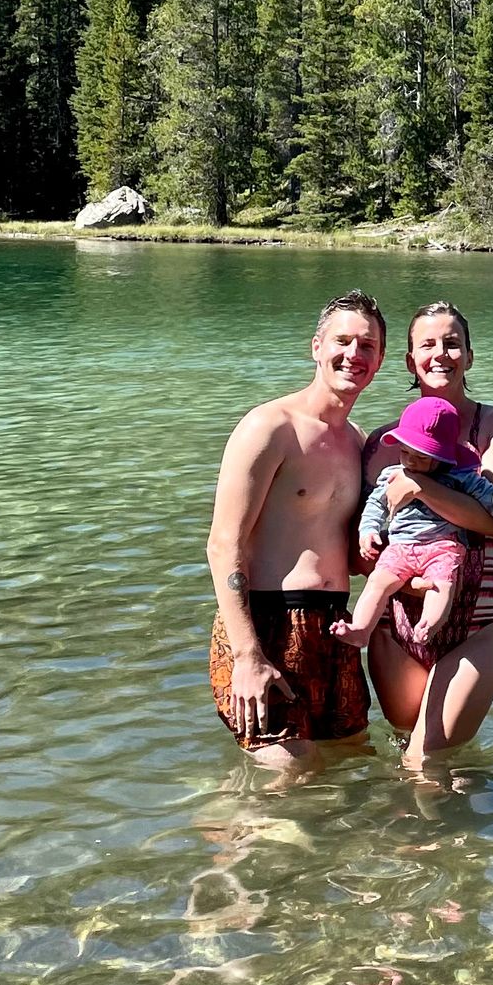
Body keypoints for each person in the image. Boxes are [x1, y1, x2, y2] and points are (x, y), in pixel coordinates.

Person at [205, 290, 386, 768]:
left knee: (348, 769)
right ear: (316, 347)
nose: (354, 355)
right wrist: (247, 654)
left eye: (367, 345)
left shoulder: (360, 443)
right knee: (288, 779)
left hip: (333, 628)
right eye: (342, 341)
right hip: (265, 623)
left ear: (382, 358)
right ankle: (227, 837)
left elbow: (352, 556)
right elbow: (224, 543)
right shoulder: (270, 426)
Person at [364, 302, 493, 770]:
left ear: (469, 356)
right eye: (427, 345)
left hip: (475, 615)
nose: (441, 354)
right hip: (397, 619)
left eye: (452, 343)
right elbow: (367, 539)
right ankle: (435, 840)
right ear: (410, 361)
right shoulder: (383, 443)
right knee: (405, 750)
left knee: (426, 759)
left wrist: (420, 486)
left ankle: (441, 833)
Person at [337, 398, 493, 659]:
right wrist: (368, 531)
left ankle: (430, 624)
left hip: (443, 546)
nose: (411, 461)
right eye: (405, 452)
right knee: (377, 583)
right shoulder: (392, 474)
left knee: (442, 585)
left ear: (444, 456)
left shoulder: (459, 477)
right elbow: (375, 504)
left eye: (421, 457)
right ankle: (361, 629)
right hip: (401, 547)